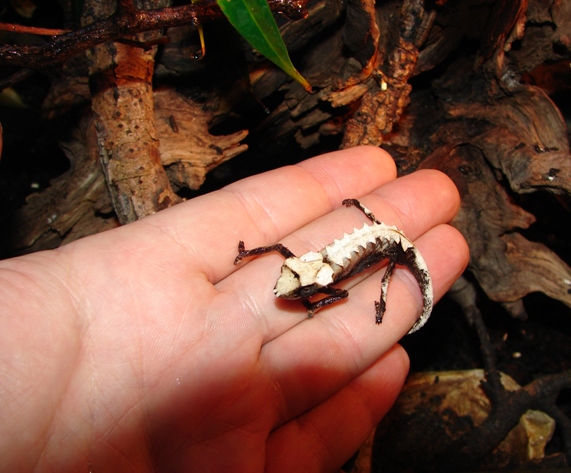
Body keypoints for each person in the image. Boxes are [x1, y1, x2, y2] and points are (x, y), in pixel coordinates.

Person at [0, 146, 468, 472]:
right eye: (294, 282)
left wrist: (333, 296)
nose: (284, 291)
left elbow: (344, 290)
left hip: (380, 245)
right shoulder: (308, 267)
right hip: (356, 247)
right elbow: (292, 257)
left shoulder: (336, 281)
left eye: (297, 288)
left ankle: (400, 280)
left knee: (382, 274)